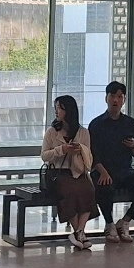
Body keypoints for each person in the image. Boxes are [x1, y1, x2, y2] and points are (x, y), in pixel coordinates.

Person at [89, 81, 134, 243]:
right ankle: (109, 224)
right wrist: (102, 171)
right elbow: (91, 153)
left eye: (120, 96)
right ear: (106, 98)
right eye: (112, 96)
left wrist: (133, 146)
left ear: (124, 100)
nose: (115, 100)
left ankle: (124, 222)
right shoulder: (96, 124)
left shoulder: (130, 124)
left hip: (125, 171)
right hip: (102, 171)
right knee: (104, 186)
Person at [41, 95, 98, 250]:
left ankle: (79, 231)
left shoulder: (83, 132)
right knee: (68, 191)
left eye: (60, 108)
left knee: (88, 189)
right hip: (57, 173)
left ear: (69, 110)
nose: (57, 111)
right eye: (56, 108)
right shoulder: (52, 132)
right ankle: (79, 233)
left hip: (78, 171)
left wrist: (80, 150)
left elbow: (88, 155)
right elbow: (44, 155)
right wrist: (62, 150)